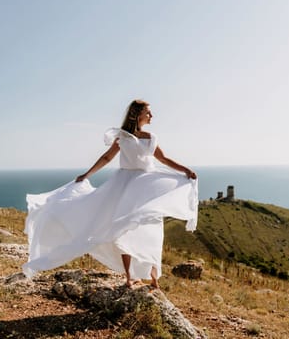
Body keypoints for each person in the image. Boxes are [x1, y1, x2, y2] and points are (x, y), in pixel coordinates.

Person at [23, 100, 198, 289]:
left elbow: (163, 159)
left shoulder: (150, 137)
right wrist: (87, 175)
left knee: (151, 228)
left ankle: (154, 279)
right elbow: (106, 157)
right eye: (148, 112)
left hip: (146, 186)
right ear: (137, 114)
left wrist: (185, 170)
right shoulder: (122, 137)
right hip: (123, 186)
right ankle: (130, 277)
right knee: (122, 230)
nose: (151, 116)